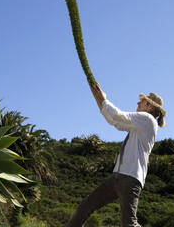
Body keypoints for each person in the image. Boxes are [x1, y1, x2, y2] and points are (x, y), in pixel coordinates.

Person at [66, 82, 166, 227]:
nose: (138, 102)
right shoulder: (138, 125)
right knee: (85, 206)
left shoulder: (147, 119)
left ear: (149, 107)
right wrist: (99, 99)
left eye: (142, 101)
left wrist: (103, 98)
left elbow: (117, 115)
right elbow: (114, 121)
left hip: (130, 178)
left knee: (129, 224)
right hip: (118, 177)